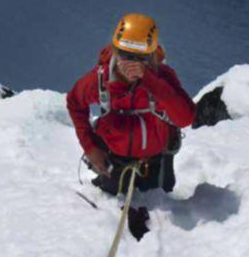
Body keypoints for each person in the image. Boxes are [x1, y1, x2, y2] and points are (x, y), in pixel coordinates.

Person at [67, 13, 196, 205]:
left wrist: (149, 79)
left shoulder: (163, 78)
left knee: (159, 208)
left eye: (140, 57)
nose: (131, 63)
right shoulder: (100, 80)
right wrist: (90, 147)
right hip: (113, 159)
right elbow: (75, 102)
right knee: (109, 205)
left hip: (156, 158)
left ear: (151, 56)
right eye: (125, 55)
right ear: (115, 50)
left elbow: (185, 117)